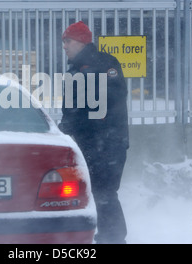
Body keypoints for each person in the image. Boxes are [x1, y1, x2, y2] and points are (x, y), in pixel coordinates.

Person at [58, 21, 129, 244]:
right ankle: (106, 237)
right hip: (94, 144)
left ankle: (114, 239)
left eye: (67, 41)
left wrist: (75, 130)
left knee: (104, 193)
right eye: (64, 41)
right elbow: (72, 113)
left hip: (106, 145)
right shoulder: (77, 69)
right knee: (97, 194)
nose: (64, 46)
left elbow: (105, 105)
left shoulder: (104, 65)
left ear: (80, 41)